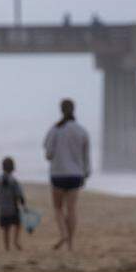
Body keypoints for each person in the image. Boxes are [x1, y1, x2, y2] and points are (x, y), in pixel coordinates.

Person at [43, 99, 91, 251]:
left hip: (58, 173)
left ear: (61, 110)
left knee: (58, 207)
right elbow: (86, 156)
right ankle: (70, 244)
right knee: (72, 209)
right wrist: (86, 173)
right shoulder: (81, 130)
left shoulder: (55, 129)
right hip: (76, 174)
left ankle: (63, 234)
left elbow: (48, 154)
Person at [0, 156, 26, 251]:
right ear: (13, 168)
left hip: (2, 208)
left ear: (2, 167)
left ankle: (7, 247)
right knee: (18, 225)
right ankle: (16, 241)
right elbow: (20, 195)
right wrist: (24, 206)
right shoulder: (14, 181)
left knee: (6, 229)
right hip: (13, 208)